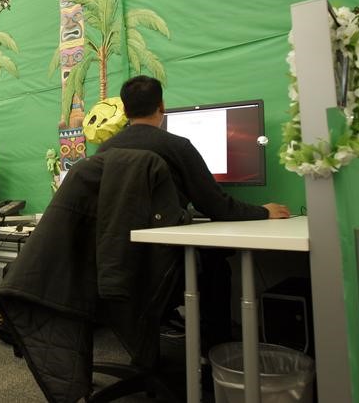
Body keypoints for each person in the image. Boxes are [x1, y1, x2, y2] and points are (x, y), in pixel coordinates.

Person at [97, 76, 290, 347]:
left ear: (125, 110)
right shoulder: (176, 146)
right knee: (215, 263)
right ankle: (214, 349)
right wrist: (263, 211)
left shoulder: (104, 149)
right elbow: (216, 206)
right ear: (161, 105)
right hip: (161, 263)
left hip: (116, 262)